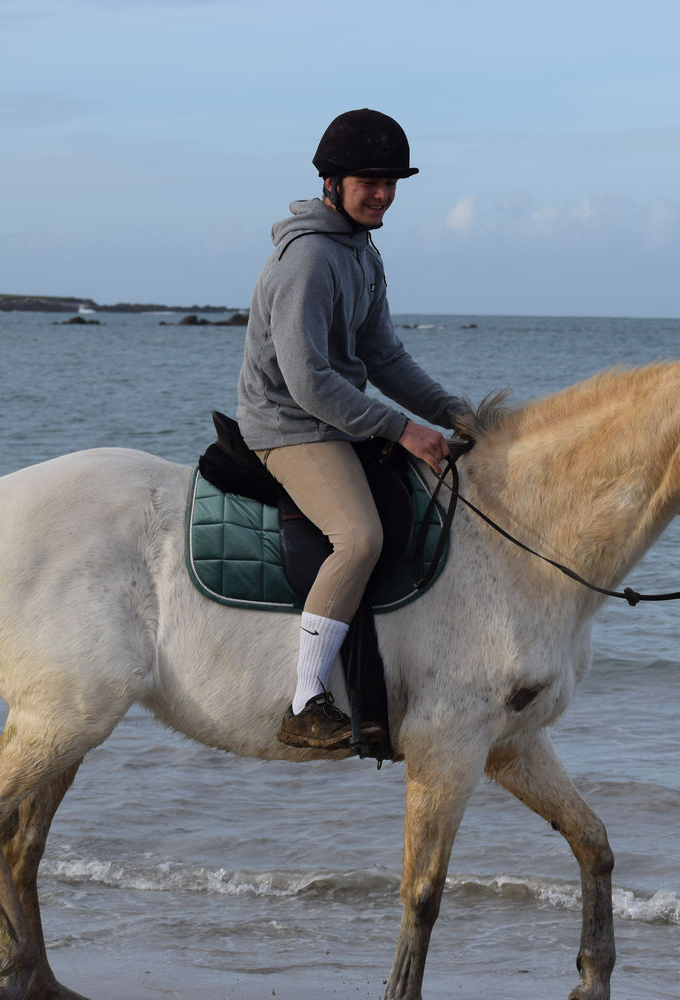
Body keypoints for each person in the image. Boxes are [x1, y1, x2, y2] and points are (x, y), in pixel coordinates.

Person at [236, 109, 467, 751]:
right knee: (359, 537)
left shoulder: (361, 251)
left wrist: (456, 413)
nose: (384, 194)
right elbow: (307, 381)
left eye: (393, 181)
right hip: (288, 424)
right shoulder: (308, 260)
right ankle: (306, 700)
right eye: (371, 180)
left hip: (333, 419)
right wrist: (400, 429)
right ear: (332, 181)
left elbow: (384, 357)